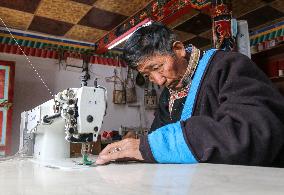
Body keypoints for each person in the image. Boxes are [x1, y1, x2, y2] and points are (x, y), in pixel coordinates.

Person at [96, 22, 284, 167]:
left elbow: (252, 133)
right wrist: (136, 147)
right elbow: (157, 138)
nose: (159, 80)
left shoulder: (229, 66)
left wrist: (149, 147)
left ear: (178, 49)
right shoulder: (167, 96)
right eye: (147, 75)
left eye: (157, 67)